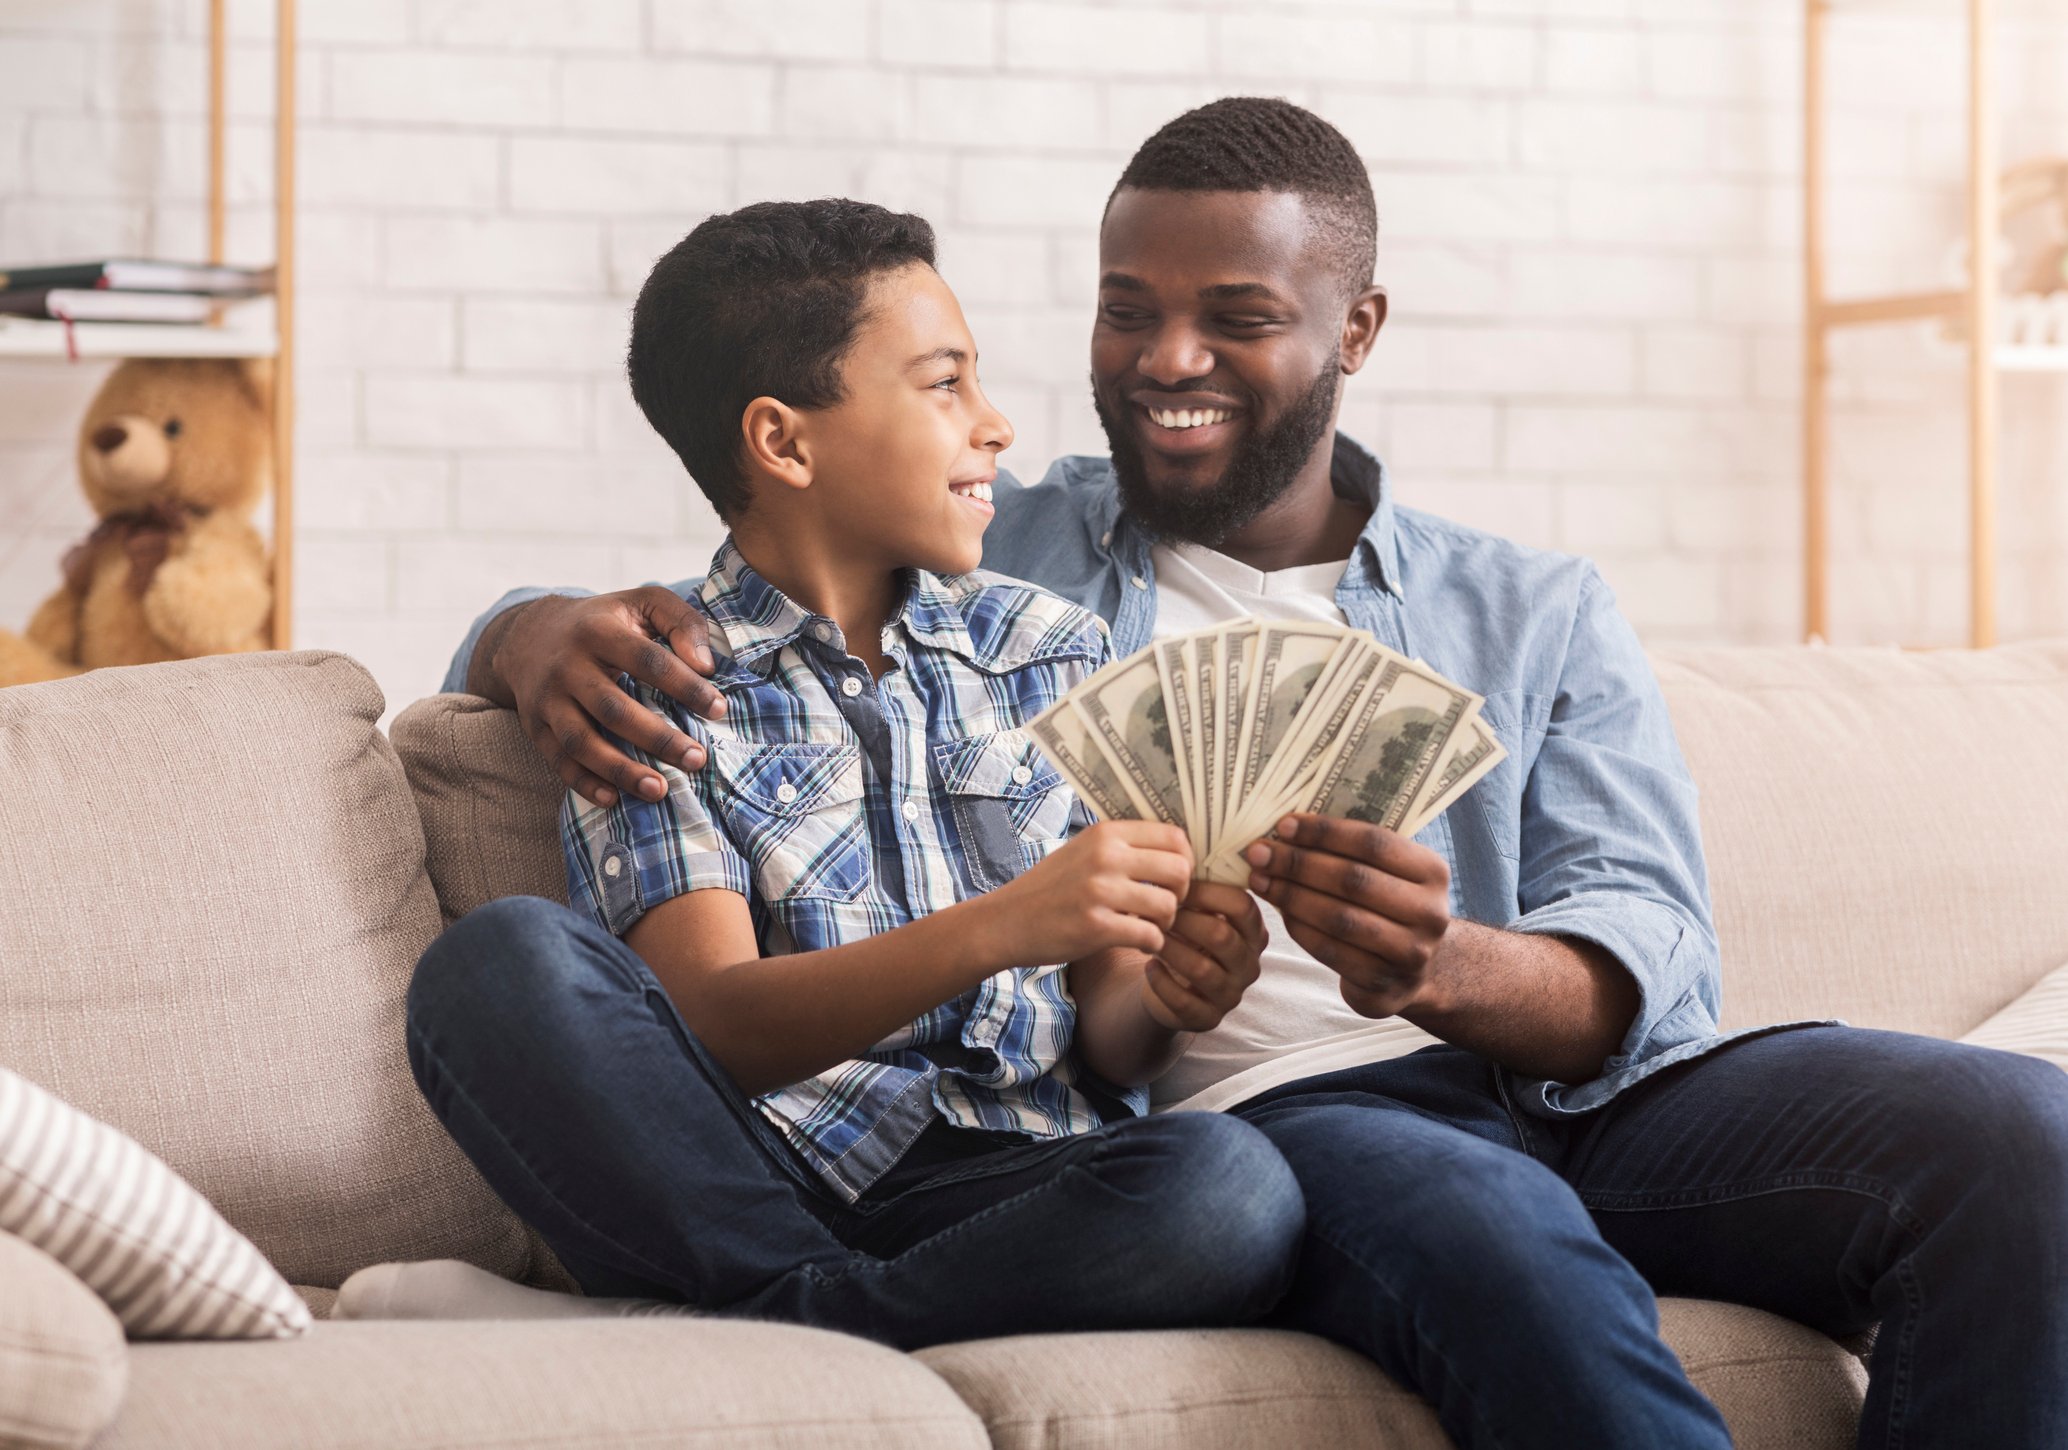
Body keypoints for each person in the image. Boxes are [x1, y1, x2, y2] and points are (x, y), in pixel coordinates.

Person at [444, 100, 2068, 1447]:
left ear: (1354, 328)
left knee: (2018, 1137)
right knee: (1496, 1247)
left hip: (1596, 1097)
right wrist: (526, 631)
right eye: (1122, 307)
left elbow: (1645, 951)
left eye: (1234, 318)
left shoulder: (1530, 608)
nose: (1164, 360)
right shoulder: (984, 546)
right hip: (1290, 1110)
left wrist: (1449, 962)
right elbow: (741, 595)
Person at [398, 196, 1306, 1353]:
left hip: (1018, 1181)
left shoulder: (1056, 652)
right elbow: (715, 1024)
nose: (996, 426)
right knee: (499, 963)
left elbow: (1106, 1033)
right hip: (761, 1173)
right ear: (784, 441)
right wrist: (999, 925)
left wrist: (1170, 996)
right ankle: (802, 1299)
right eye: (945, 385)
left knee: (1233, 1187)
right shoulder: (654, 679)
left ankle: (766, 1316)